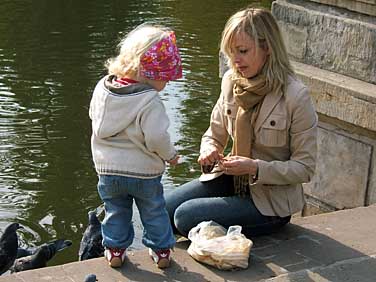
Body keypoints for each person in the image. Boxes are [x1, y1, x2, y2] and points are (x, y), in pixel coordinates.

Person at [165, 7, 317, 239]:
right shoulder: (230, 81)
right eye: (230, 52)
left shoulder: (296, 96)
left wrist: (255, 168)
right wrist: (208, 150)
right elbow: (213, 135)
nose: (235, 60)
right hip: (230, 182)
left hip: (270, 204)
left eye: (243, 51)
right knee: (161, 210)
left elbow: (305, 168)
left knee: (185, 217)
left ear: (267, 48)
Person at [89, 23, 182, 269]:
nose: (168, 82)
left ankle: (116, 250)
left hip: (108, 171)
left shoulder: (102, 88)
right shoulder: (149, 100)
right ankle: (161, 252)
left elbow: (94, 119)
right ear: (153, 73)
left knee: (116, 211)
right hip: (144, 173)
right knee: (153, 211)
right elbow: (155, 138)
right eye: (166, 77)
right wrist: (171, 155)